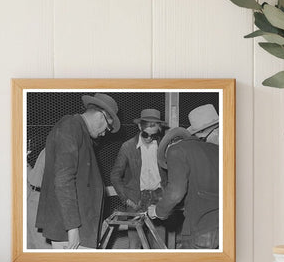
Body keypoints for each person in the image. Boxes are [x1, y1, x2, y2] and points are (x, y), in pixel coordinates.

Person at [36, 93, 120, 249]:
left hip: (79, 226)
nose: (105, 133)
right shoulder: (70, 127)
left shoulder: (79, 130)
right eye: (108, 127)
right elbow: (63, 180)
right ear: (101, 116)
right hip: (71, 231)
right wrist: (72, 228)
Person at [147, 127, 219, 249]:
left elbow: (175, 193)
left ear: (169, 146)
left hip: (200, 230)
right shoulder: (215, 149)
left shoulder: (175, 150)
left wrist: (158, 211)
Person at [110, 109, 166, 249]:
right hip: (136, 199)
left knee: (159, 243)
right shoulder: (127, 147)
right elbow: (115, 175)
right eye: (145, 134)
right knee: (134, 244)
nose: (148, 138)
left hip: (159, 197)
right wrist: (125, 198)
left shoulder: (163, 146)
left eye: (153, 136)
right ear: (140, 127)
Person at [27, 148, 51, 249]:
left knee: (32, 243)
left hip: (34, 197)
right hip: (40, 200)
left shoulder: (46, 149)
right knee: (42, 246)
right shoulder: (51, 149)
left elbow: (32, 177)